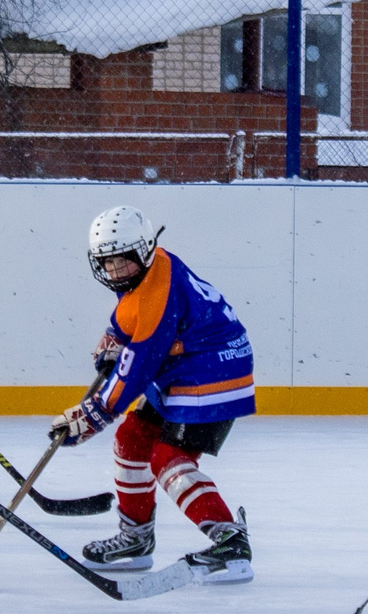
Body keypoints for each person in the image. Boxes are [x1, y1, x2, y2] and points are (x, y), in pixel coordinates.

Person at [52, 206, 254, 584]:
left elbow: (138, 368)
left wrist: (91, 415)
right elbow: (130, 319)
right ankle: (135, 540)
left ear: (143, 251)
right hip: (188, 365)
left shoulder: (156, 293)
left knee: (167, 457)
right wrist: (114, 338)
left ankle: (230, 541)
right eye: (106, 264)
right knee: (132, 438)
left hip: (214, 370)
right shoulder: (150, 267)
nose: (114, 272)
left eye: (122, 263)